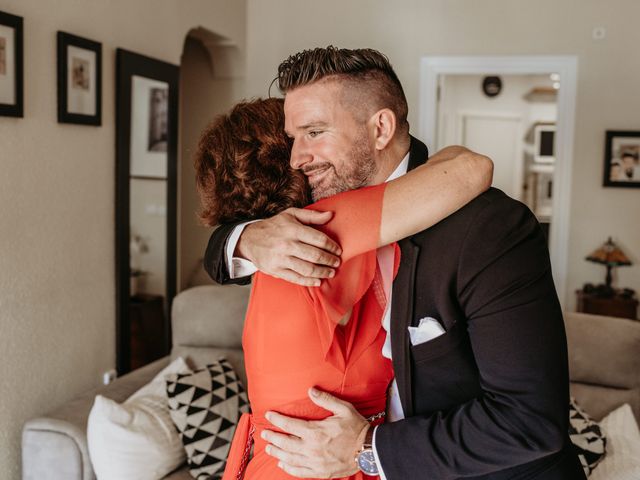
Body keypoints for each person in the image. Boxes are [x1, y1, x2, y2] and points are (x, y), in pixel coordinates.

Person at [204, 47, 585, 479]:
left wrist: (366, 448)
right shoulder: (308, 220)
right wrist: (244, 238)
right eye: (293, 138)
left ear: (381, 127)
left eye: (314, 132)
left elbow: (530, 421)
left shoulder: (490, 229)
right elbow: (223, 244)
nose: (297, 158)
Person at [193, 97, 493, 479]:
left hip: (275, 464)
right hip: (323, 467)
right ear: (291, 160)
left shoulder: (267, 256)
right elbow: (471, 168)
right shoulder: (323, 228)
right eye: (300, 137)